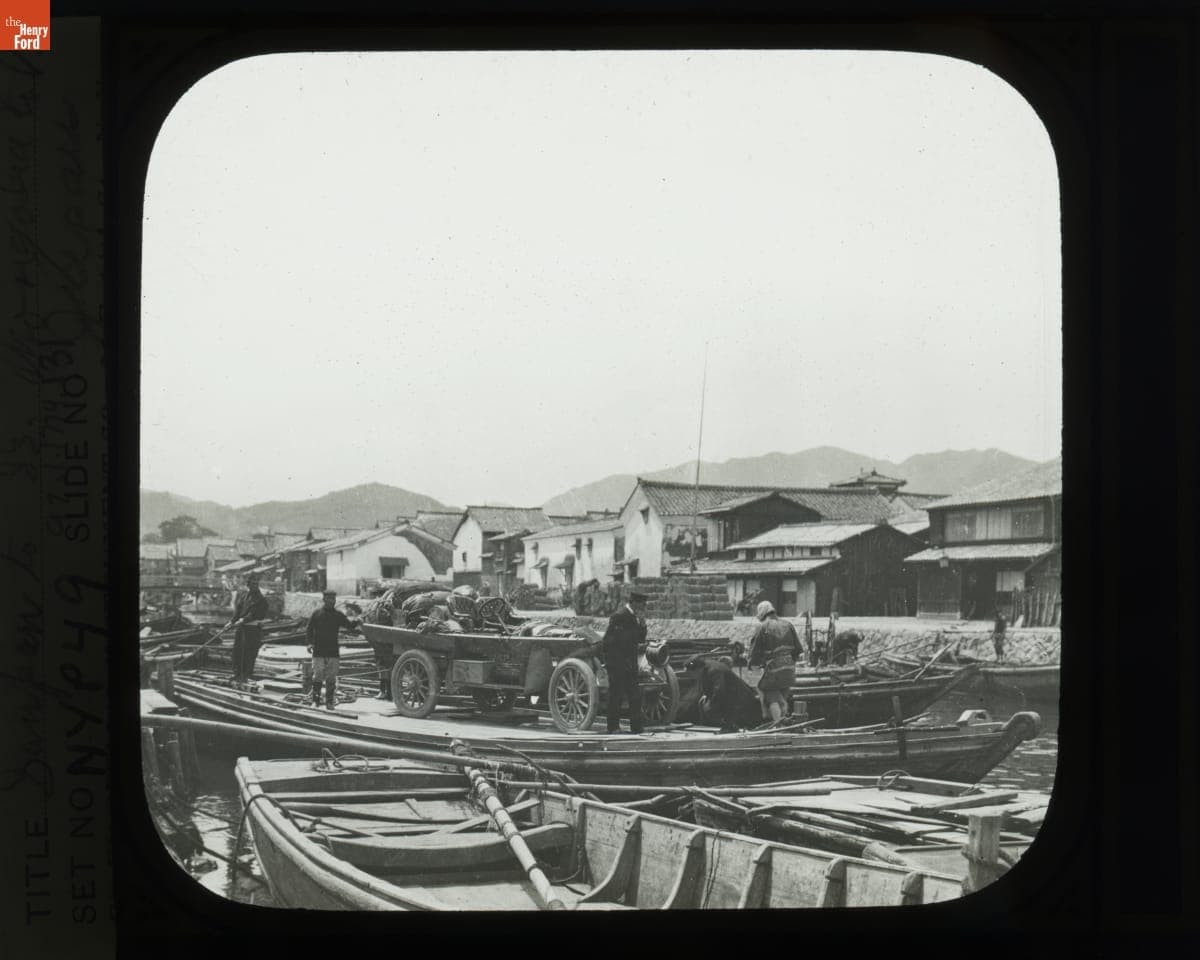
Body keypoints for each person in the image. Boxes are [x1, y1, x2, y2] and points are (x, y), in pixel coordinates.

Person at [601, 590, 648, 734]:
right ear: (634, 603)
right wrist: (614, 662)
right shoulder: (619, 616)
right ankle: (613, 727)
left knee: (635, 695)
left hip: (630, 662)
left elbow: (640, 639)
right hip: (617, 662)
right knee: (616, 695)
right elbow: (609, 641)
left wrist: (643, 624)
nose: (643, 608)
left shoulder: (634, 617)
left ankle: (636, 727)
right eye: (642, 604)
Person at [306, 589, 362, 709]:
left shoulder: (338, 615)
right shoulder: (317, 614)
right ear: (324, 599)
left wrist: (358, 620)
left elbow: (349, 626)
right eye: (329, 599)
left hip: (333, 651)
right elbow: (309, 629)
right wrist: (310, 643)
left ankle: (329, 702)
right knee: (317, 676)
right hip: (319, 651)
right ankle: (315, 701)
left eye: (333, 599)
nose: (332, 601)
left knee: (331, 678)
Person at [747, 600, 802, 722]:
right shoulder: (788, 625)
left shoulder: (762, 627)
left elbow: (754, 652)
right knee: (782, 699)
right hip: (789, 671)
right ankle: (784, 722)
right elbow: (798, 649)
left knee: (770, 695)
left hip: (773, 671)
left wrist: (751, 665)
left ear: (762, 614)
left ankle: (778, 725)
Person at [687, 656, 761, 732]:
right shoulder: (706, 667)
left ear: (698, 669)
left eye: (692, 673)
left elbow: (719, 690)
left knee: (713, 707)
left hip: (740, 698)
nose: (692, 676)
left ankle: (731, 726)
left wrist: (711, 705)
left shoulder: (714, 671)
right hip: (733, 697)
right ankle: (730, 725)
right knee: (711, 706)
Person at [230, 572, 268, 686]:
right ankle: (237, 674)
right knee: (237, 651)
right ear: (248, 584)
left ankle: (246, 675)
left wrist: (244, 620)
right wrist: (231, 621)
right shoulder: (244, 596)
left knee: (249, 653)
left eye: (256, 584)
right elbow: (238, 611)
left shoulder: (261, 599)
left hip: (252, 629)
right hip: (241, 628)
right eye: (252, 584)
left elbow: (254, 613)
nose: (254, 586)